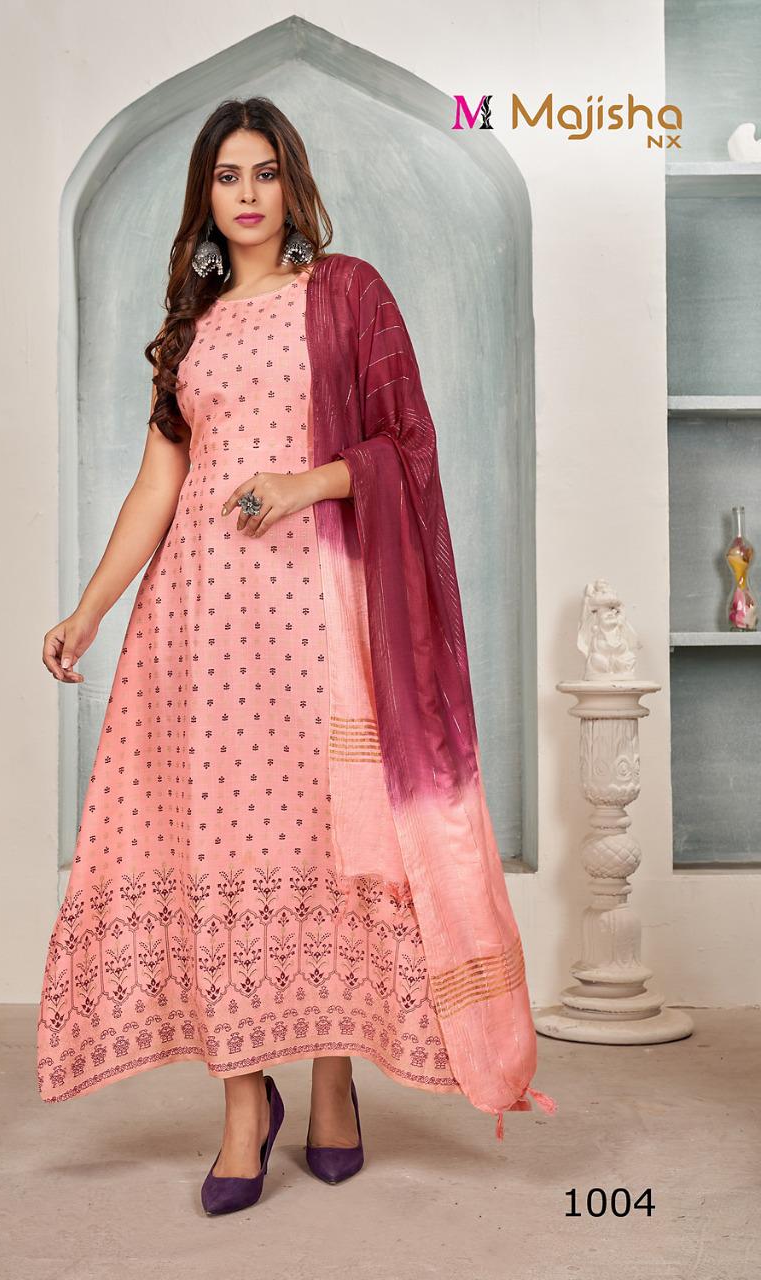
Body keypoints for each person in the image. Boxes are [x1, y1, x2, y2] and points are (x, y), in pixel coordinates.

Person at [38, 96, 554, 1216]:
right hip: (198, 624)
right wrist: (88, 610)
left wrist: (304, 484)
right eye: (227, 176)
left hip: (317, 617)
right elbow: (159, 484)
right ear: (205, 196)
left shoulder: (346, 293)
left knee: (326, 843)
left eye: (264, 172)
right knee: (217, 852)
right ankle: (241, 1108)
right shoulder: (192, 330)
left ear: (292, 184)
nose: (247, 194)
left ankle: (331, 1082)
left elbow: (407, 445)